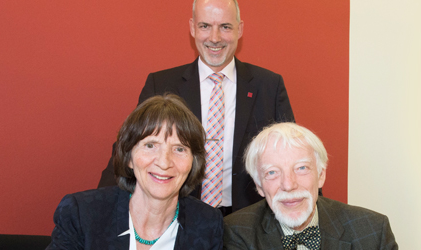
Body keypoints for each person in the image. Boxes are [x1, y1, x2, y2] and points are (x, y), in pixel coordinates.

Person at [98, 0, 295, 216]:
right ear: (192, 28)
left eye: (225, 27)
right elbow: (129, 149)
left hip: (247, 220)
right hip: (177, 215)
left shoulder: (269, 86)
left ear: (240, 30)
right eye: (205, 26)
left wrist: (315, 216)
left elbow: (293, 154)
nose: (214, 38)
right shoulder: (161, 84)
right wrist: (101, 214)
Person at [48, 94, 223, 250]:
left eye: (179, 149)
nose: (164, 162)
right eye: (150, 146)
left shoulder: (208, 224)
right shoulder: (81, 215)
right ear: (129, 157)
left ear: (194, 162)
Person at [223, 123, 398, 250]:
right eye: (272, 172)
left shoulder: (372, 230)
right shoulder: (237, 232)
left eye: (301, 168)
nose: (289, 185)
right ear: (259, 186)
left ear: (321, 175)